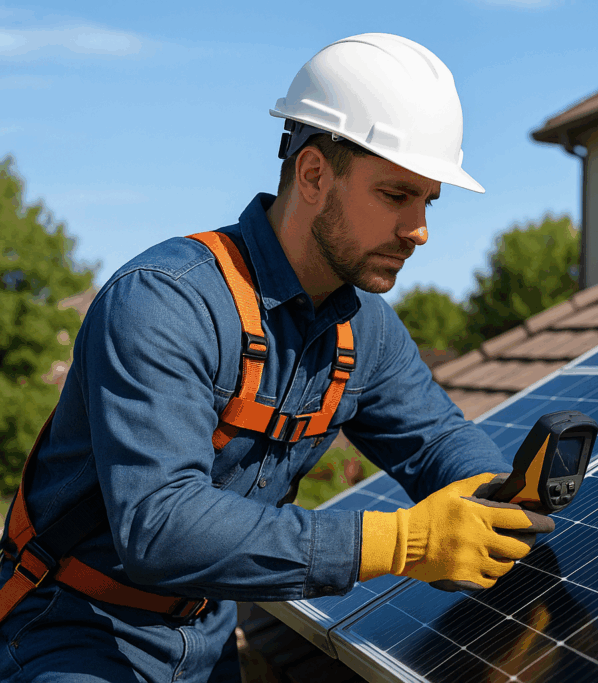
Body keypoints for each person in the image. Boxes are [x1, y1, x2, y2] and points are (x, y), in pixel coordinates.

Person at [0, 34, 553, 682]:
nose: (420, 229)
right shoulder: (166, 302)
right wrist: (404, 542)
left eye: (428, 200)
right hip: (72, 633)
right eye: (395, 195)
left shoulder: (363, 330)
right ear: (314, 173)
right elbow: (161, 526)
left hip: (206, 643)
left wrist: (490, 497)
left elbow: (437, 439)